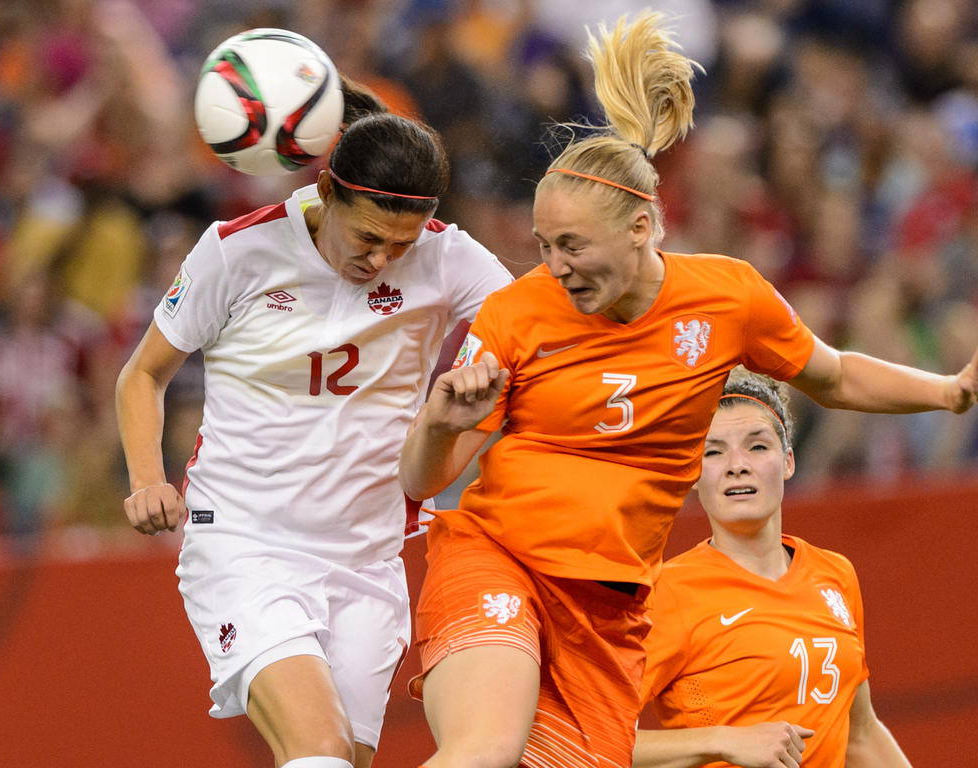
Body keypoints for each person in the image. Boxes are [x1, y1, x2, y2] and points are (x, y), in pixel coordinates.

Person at [398, 12, 977, 768]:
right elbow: (422, 480)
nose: (554, 265)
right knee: (488, 748)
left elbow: (831, 374)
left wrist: (949, 392)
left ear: (642, 229)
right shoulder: (517, 311)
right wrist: (442, 423)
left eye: (571, 244)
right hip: (499, 558)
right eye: (543, 245)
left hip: (608, 607)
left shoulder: (728, 298)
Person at [114, 75, 512, 768]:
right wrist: (147, 479)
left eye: (402, 243)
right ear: (326, 192)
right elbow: (141, 374)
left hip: (369, 556)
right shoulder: (237, 251)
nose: (382, 259)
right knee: (318, 750)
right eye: (368, 236)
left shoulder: (448, 257)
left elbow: (538, 332)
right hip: (246, 542)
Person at [632, 369, 912, 768]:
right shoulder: (667, 593)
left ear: (788, 461)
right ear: (693, 474)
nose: (736, 465)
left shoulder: (836, 574)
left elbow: (861, 734)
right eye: (713, 451)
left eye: (757, 447)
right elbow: (589, 740)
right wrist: (721, 741)